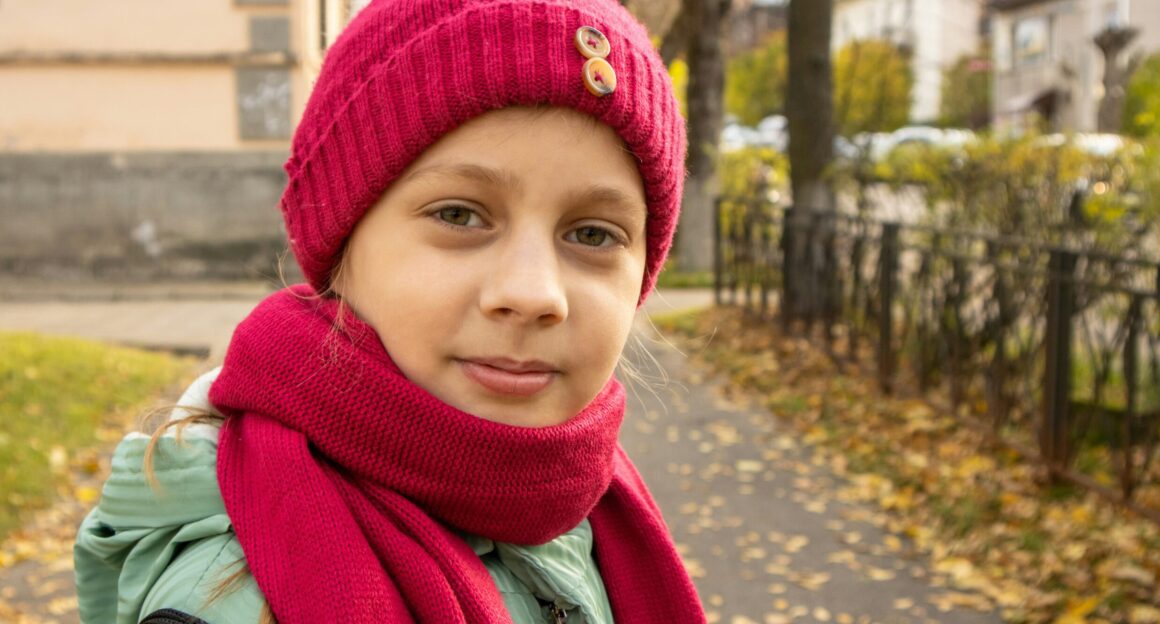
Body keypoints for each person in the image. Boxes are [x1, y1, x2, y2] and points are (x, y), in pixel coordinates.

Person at [73, 0, 705, 622]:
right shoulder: (237, 596)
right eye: (458, 215)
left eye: (593, 234)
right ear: (343, 238)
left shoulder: (582, 505)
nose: (535, 293)